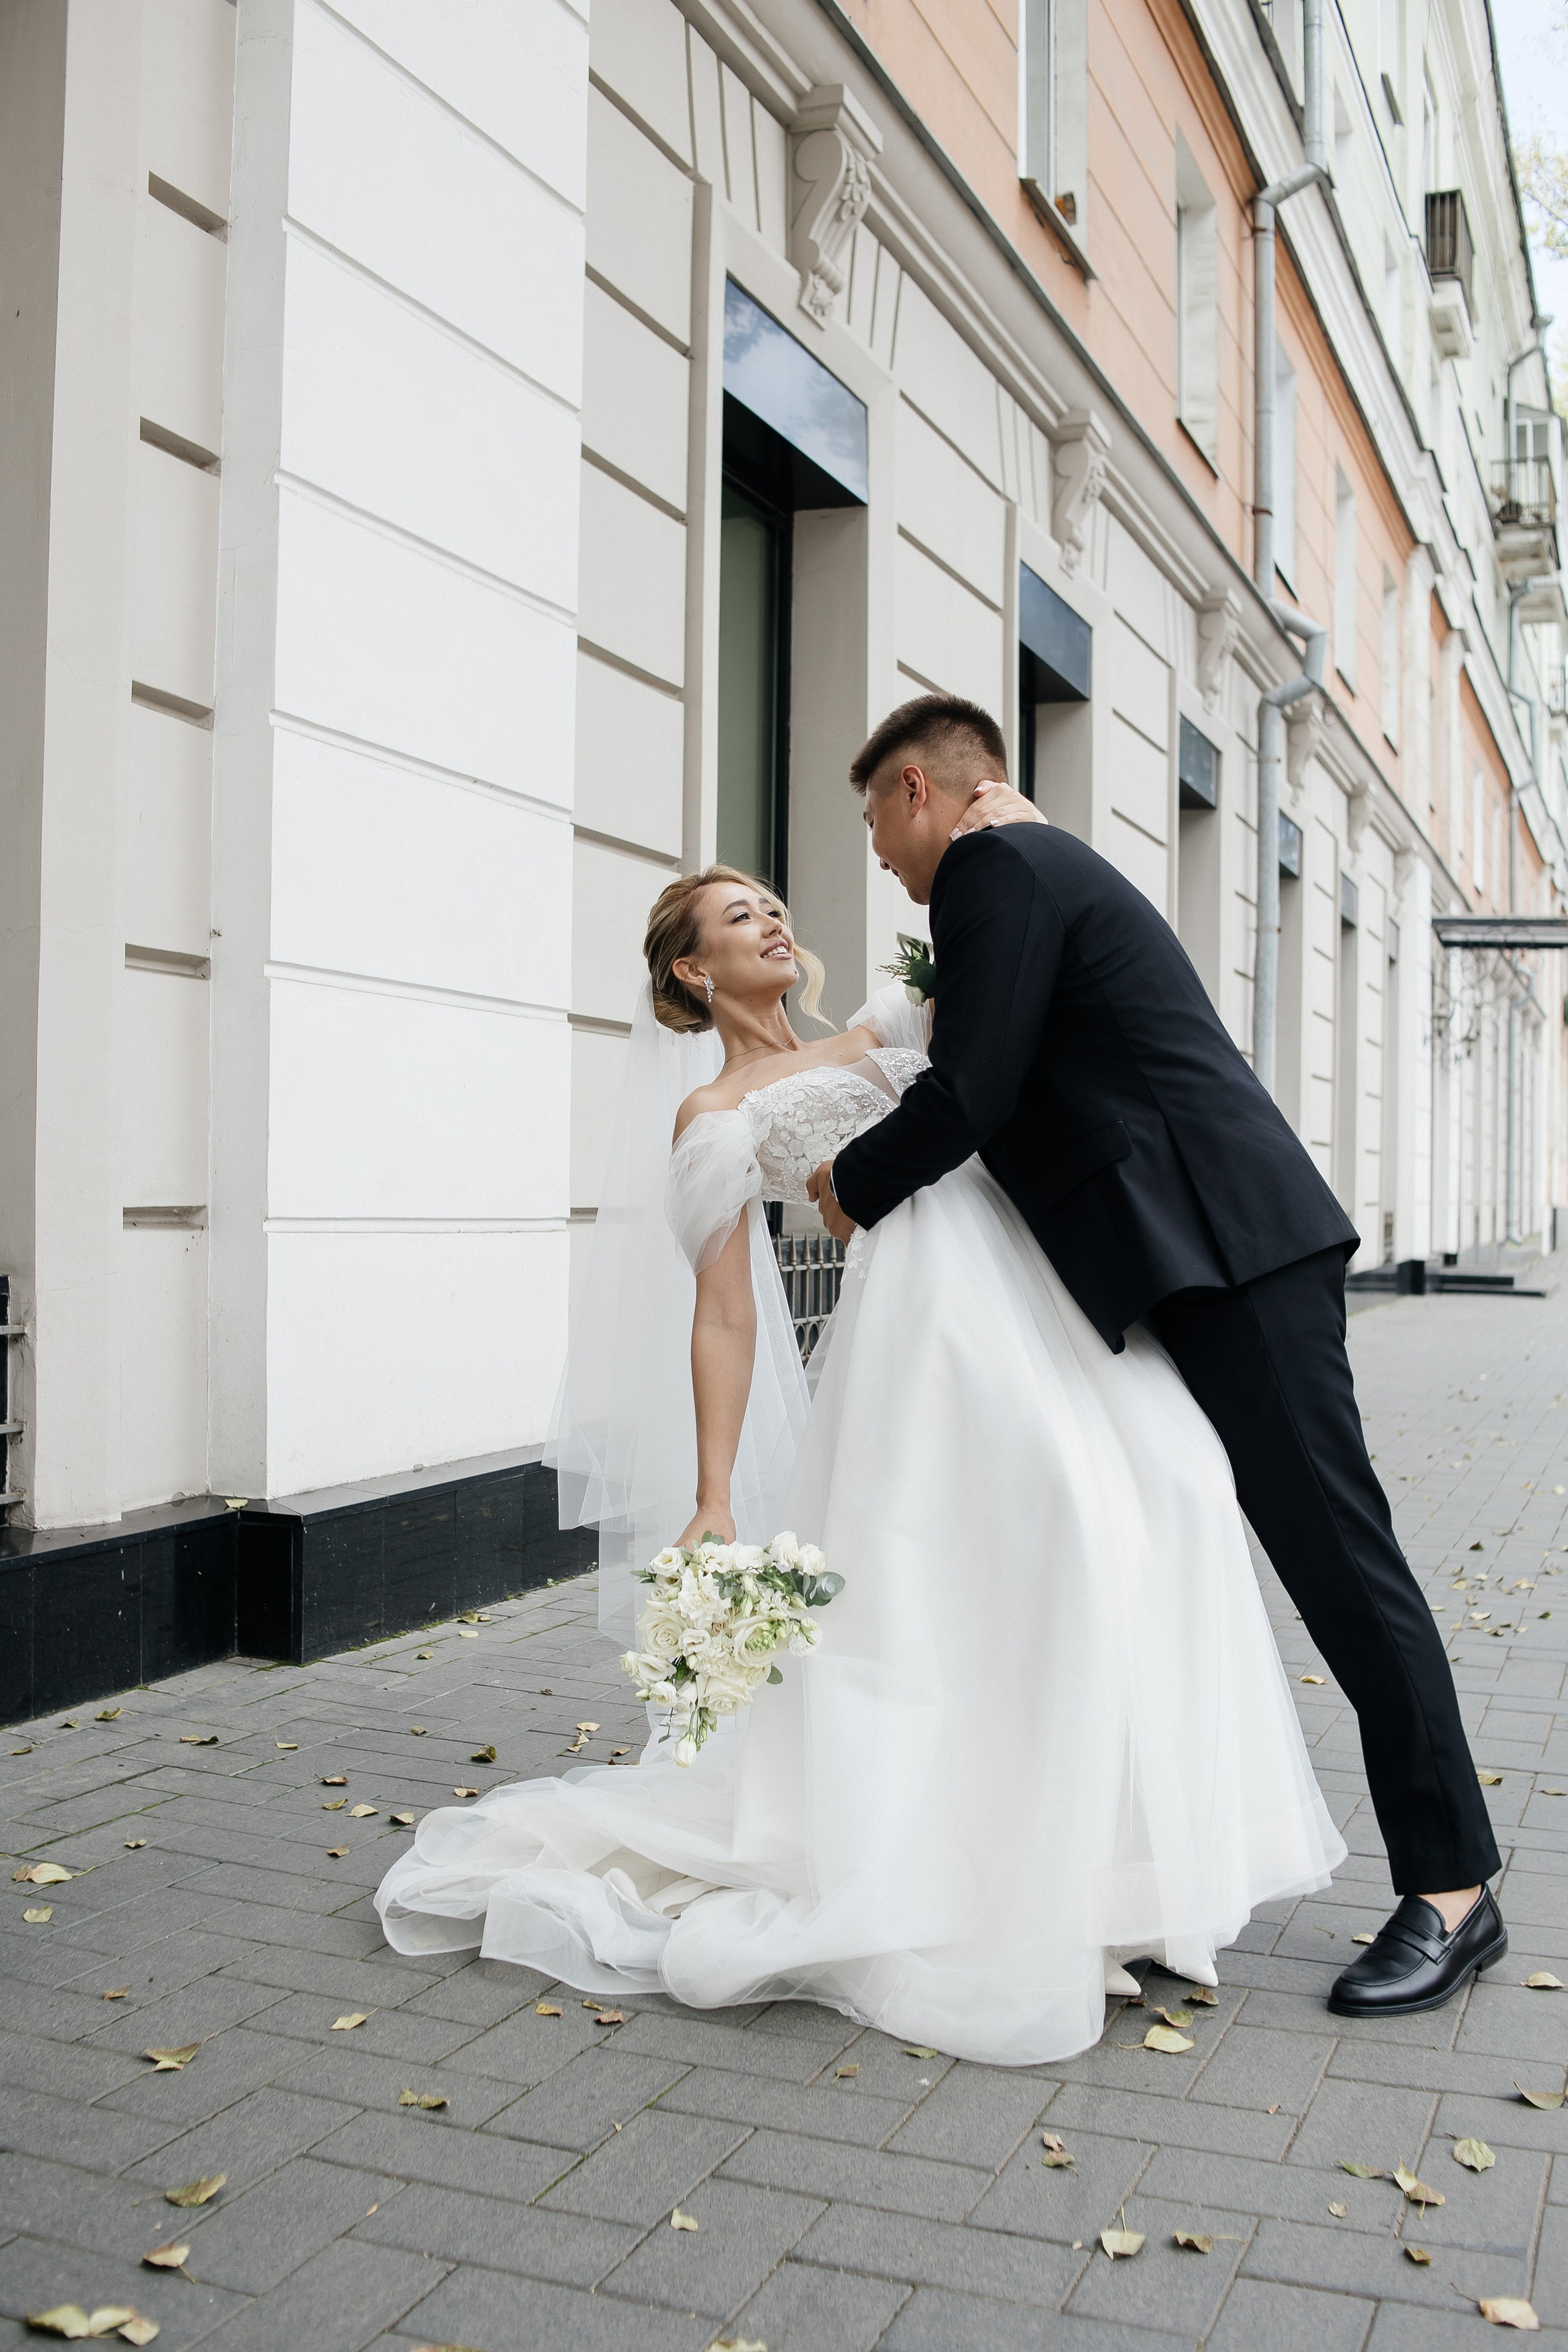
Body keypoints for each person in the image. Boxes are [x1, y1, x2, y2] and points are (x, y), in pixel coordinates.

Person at [377, 838, 1347, 2064]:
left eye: (772, 903)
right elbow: (725, 1312)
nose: (771, 920)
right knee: (1028, 1546)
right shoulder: (713, 1114)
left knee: (1173, 1489)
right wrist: (714, 1491)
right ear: (692, 967)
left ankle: (1117, 1874)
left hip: (1036, 1296)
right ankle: (1006, 1876)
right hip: (923, 1338)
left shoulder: (893, 1014)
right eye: (739, 915)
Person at [807, 693, 1506, 2020]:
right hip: (1186, 1258)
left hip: (1229, 1250)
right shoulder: (1028, 860)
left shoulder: (992, 864)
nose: (880, 862)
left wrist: (851, 1182)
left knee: (1340, 1562)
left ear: (917, 788)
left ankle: (1454, 1887)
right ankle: (1126, 1861)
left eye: (874, 827)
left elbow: (976, 1088)